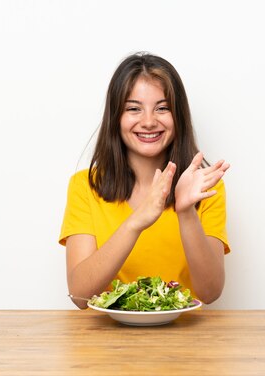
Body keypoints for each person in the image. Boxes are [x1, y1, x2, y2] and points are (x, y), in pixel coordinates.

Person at [59, 52, 230, 309]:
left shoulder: (205, 186)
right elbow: (80, 294)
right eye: (133, 109)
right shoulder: (85, 186)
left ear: (178, 116)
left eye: (162, 108)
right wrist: (136, 222)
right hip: (105, 342)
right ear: (116, 118)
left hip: (186, 341)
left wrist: (186, 212)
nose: (149, 122)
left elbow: (210, 291)